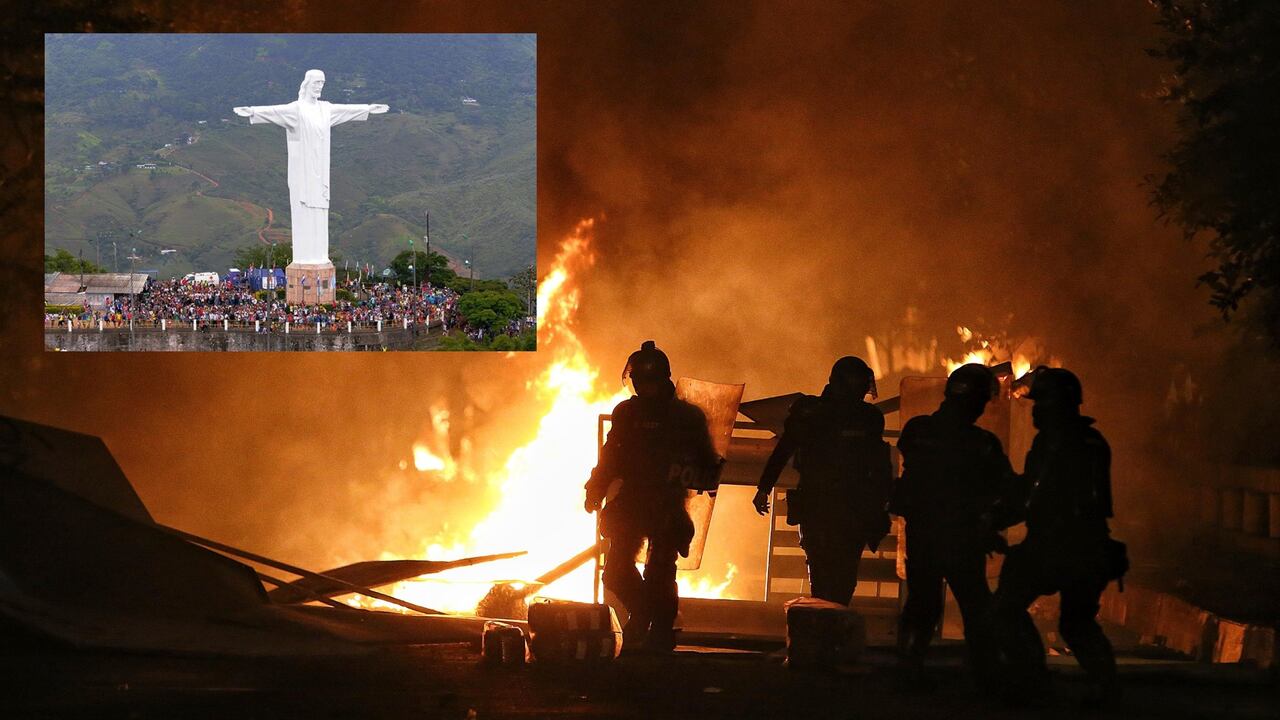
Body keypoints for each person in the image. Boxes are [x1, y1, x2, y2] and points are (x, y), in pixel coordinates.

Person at [990, 367, 1124, 705]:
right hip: (1090, 544)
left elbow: (1036, 495)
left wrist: (996, 517)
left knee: (1006, 607)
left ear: (1057, 404)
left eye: (1041, 403)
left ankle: (1033, 682)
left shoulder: (1057, 443)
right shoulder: (1091, 440)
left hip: (1056, 543)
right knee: (1077, 623)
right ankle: (1106, 689)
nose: (1035, 410)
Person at [584, 340, 719, 653]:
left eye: (647, 382)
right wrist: (595, 488)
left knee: (660, 573)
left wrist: (702, 473)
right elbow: (611, 456)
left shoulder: (686, 417)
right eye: (638, 382)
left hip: (667, 503)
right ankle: (645, 613)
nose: (642, 389)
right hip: (632, 501)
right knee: (616, 572)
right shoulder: (627, 413)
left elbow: (706, 462)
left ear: (662, 379)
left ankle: (659, 631)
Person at [891, 363, 1016, 689]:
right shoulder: (982, 444)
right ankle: (986, 674)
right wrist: (992, 522)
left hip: (925, 533)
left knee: (923, 603)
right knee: (975, 605)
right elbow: (1005, 489)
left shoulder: (918, 430)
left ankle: (909, 666)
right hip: (963, 537)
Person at [752, 356, 893, 605]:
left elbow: (784, 450)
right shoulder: (866, 417)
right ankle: (830, 621)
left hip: (827, 506)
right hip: (843, 507)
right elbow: (880, 467)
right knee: (839, 577)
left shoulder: (812, 412)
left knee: (826, 575)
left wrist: (764, 488)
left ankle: (825, 621)